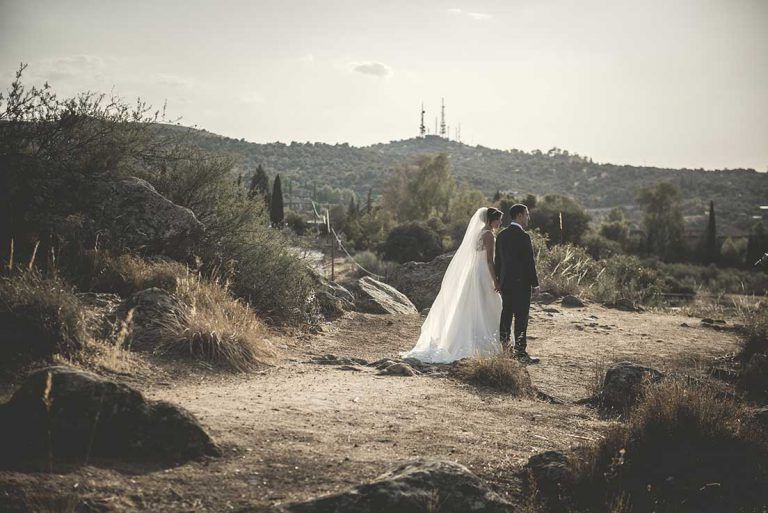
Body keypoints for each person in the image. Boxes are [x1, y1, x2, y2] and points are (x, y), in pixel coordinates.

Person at [402, 207, 504, 363]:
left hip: (474, 272)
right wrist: (495, 280)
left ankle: (463, 339)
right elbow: (490, 260)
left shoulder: (478, 233)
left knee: (471, 306)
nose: (500, 222)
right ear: (491, 220)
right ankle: (485, 345)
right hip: (483, 273)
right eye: (499, 219)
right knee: (488, 304)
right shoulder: (489, 235)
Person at [494, 204, 540, 364]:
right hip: (521, 284)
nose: (528, 217)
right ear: (519, 216)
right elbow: (529, 263)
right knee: (521, 318)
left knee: (506, 315)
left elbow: (497, 261)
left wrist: (499, 281)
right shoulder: (524, 236)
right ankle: (520, 353)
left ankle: (505, 350)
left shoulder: (501, 236)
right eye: (527, 214)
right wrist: (535, 283)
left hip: (506, 283)